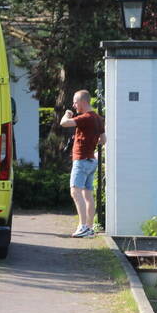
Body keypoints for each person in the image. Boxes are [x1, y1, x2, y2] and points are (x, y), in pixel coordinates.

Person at [60, 89, 106, 238]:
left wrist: (67, 115)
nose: (73, 105)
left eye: (75, 101)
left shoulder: (85, 117)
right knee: (88, 195)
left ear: (83, 101)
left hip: (81, 160)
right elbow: (103, 140)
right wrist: (91, 141)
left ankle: (83, 226)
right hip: (92, 160)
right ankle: (90, 228)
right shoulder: (98, 118)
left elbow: (64, 123)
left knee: (75, 191)